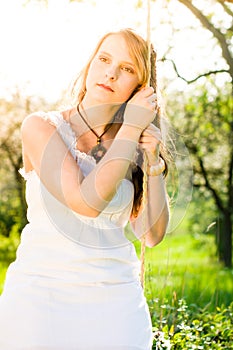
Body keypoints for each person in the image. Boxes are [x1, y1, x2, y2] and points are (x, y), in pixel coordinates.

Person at [0, 28, 170, 350]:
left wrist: (153, 165)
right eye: (104, 59)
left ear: (140, 87)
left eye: (127, 68)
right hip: (40, 300)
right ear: (90, 64)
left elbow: (150, 234)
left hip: (116, 303)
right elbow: (85, 202)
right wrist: (132, 126)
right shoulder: (40, 127)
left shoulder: (131, 143)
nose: (111, 72)